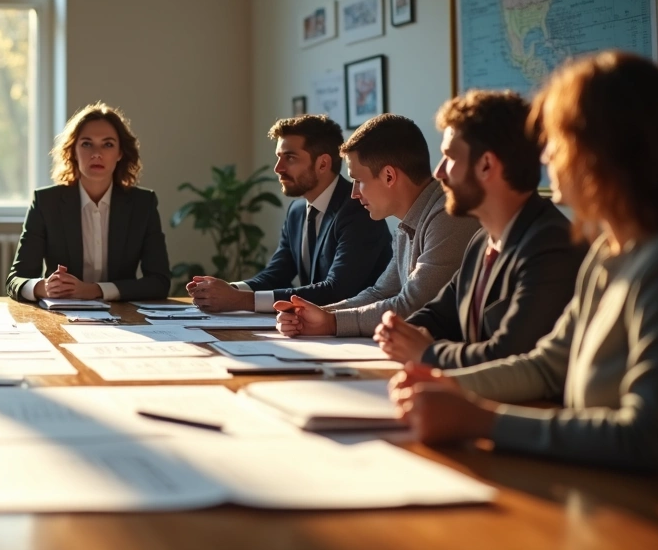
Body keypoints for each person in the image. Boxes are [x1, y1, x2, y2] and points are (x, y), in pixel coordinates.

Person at [390, 51, 658, 471]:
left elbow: (647, 436)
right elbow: (545, 366)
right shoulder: (607, 255)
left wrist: (483, 420)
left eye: (558, 140)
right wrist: (444, 384)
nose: (547, 156)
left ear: (602, 151)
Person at [372, 90, 585, 368]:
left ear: (486, 164)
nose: (439, 173)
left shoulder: (551, 245)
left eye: (449, 157)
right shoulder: (481, 240)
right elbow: (438, 315)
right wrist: (398, 331)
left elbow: (508, 358)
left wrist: (427, 354)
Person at [274, 114, 478, 336]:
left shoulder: (449, 216)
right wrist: (313, 314)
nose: (354, 193)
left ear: (389, 176)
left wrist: (331, 322)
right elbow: (380, 293)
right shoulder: (409, 222)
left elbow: (413, 306)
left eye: (358, 180)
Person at [188, 115, 392, 311]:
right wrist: (227, 290)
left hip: (360, 329)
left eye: (290, 158)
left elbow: (336, 291)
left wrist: (240, 300)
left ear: (323, 164)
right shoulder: (297, 211)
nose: (278, 168)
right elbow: (276, 275)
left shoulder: (360, 209)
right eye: (279, 157)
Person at [6, 103, 170, 301]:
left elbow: (159, 282)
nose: (96, 154)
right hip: (62, 313)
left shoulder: (143, 204)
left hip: (124, 314)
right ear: (73, 151)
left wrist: (94, 290)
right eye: (86, 144)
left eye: (108, 144)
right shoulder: (46, 202)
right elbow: (16, 279)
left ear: (120, 153)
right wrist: (43, 287)